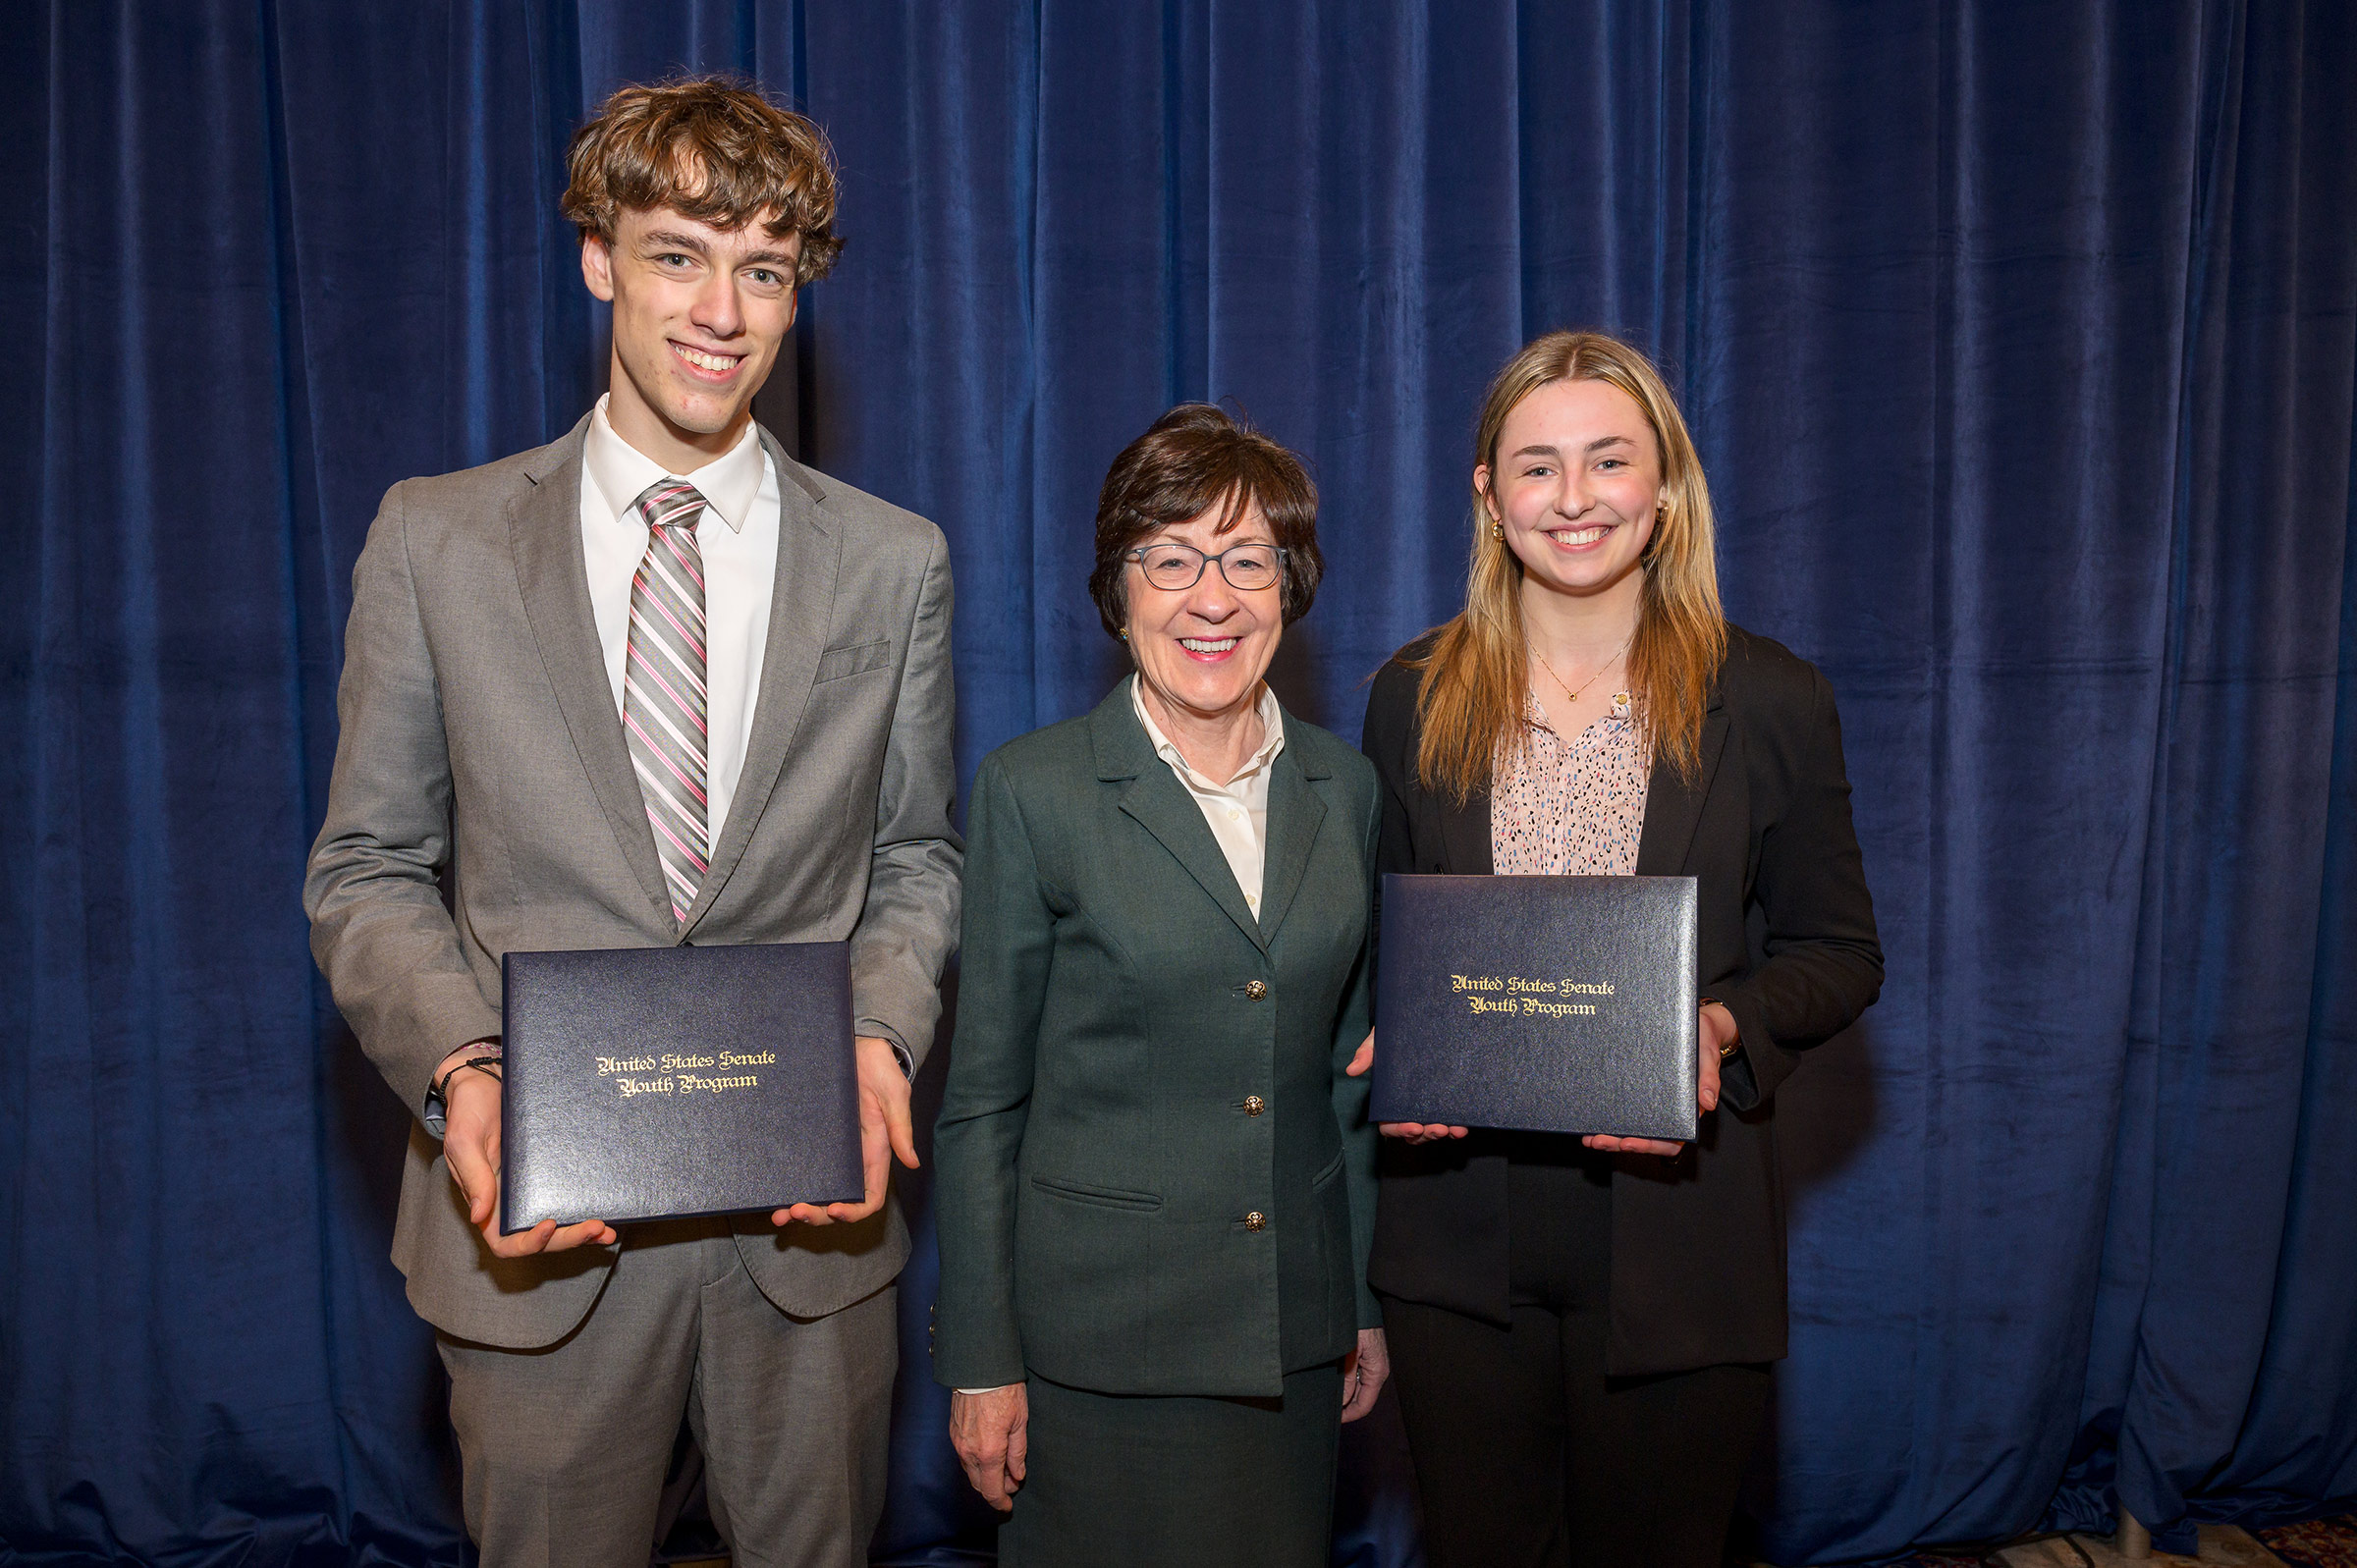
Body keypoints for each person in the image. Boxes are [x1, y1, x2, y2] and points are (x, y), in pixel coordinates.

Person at [301, 79, 959, 1568]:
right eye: (679, 253)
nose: (722, 310)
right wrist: (465, 1072)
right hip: (535, 1249)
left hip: (811, 1246)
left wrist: (881, 1035)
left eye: (766, 269)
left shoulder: (892, 563)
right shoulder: (437, 539)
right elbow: (367, 865)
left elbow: (916, 856)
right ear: (598, 256)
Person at [1353, 330, 1883, 1567]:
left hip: (1680, 1234)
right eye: (1537, 467)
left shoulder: (1769, 697)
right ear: (1488, 493)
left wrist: (1721, 1023)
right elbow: (1375, 936)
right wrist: (1398, 1037)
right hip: (1455, 1236)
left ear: (1668, 487)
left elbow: (1837, 950)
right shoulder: (1410, 694)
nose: (1574, 498)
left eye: (1609, 461)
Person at [930, 405, 1388, 1567]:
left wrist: (1363, 1300)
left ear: (1291, 586)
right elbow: (984, 1101)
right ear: (1117, 589)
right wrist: (982, 1353)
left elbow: (1351, 1079)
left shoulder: (1350, 787)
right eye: (1170, 559)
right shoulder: (1034, 790)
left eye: (1247, 560)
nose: (1213, 597)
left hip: (1292, 1331)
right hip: (1097, 1351)